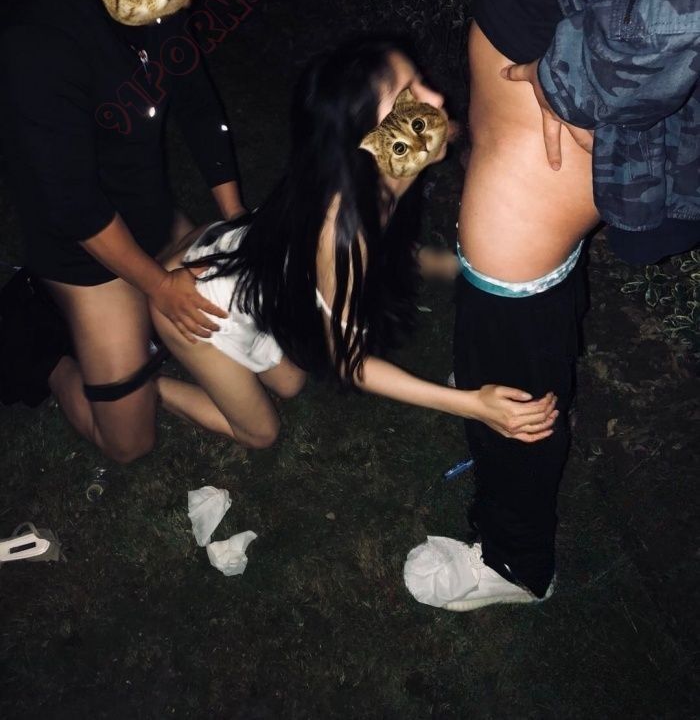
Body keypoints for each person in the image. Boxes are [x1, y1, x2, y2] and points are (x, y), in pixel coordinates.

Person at [446, 0, 699, 611]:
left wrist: (570, 81)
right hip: (537, 131)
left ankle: (515, 562)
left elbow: (672, 15)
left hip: (546, 140)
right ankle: (531, 391)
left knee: (507, 357)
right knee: (527, 331)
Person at [147, 38, 559, 449]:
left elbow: (381, 245)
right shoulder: (344, 232)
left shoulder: (374, 179)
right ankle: (150, 388)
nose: (435, 98)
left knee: (290, 384)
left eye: (419, 83)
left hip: (242, 268)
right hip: (197, 308)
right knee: (261, 434)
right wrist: (473, 404)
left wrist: (440, 263)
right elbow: (350, 363)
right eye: (406, 100)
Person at [0, 0, 245, 463]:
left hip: (150, 212)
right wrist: (160, 286)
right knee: (130, 444)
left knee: (239, 307)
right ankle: (44, 351)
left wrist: (236, 218)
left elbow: (198, 105)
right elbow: (75, 206)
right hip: (81, 250)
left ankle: (138, 333)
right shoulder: (40, 43)